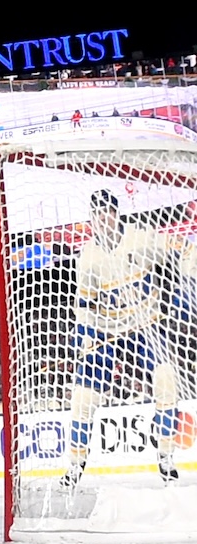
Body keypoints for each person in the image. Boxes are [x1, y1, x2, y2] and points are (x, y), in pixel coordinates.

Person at [63, 188, 195, 486]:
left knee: (166, 382)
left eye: (108, 211)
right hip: (107, 331)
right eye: (98, 213)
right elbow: (83, 304)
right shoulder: (88, 257)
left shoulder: (142, 238)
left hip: (145, 325)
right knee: (83, 399)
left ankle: (165, 456)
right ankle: (75, 466)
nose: (103, 218)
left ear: (116, 213)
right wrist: (82, 334)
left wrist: (187, 284)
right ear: (92, 219)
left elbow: (187, 249)